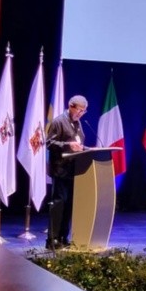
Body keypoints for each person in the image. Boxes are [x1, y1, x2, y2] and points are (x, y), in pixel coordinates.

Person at [45, 95, 87, 250]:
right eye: (79, 110)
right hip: (60, 169)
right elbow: (49, 143)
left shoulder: (78, 123)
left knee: (69, 205)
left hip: (73, 170)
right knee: (59, 204)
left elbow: (79, 142)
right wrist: (68, 145)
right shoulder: (59, 121)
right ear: (71, 106)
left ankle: (63, 237)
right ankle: (52, 239)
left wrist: (85, 148)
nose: (80, 114)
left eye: (83, 111)